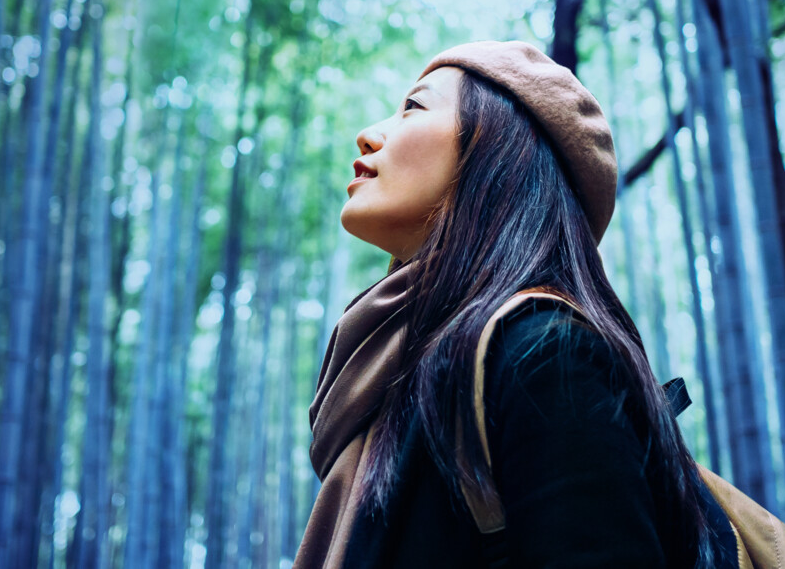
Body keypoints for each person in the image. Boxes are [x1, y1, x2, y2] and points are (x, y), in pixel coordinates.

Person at [296, 40, 738, 569]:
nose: (369, 135)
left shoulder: (546, 353)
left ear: (496, 149)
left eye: (413, 106)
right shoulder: (391, 382)